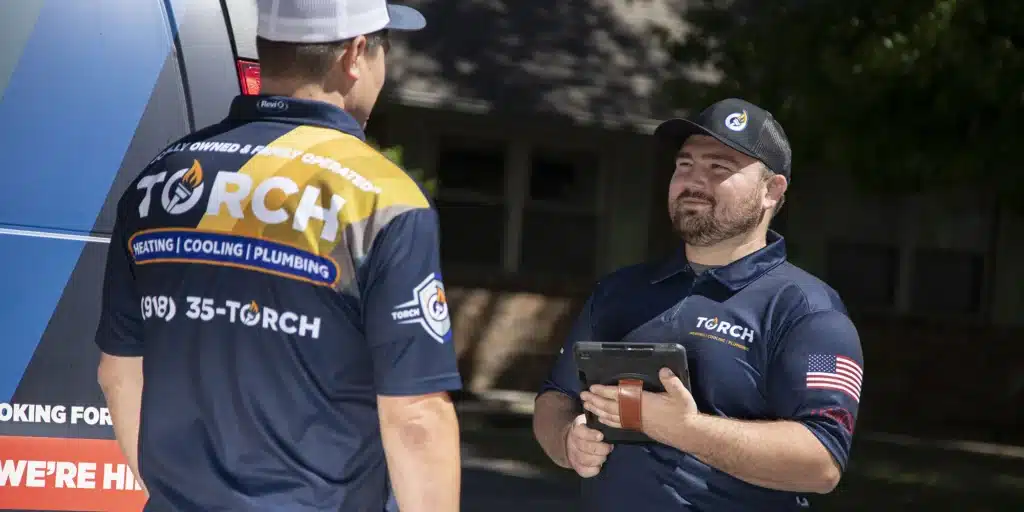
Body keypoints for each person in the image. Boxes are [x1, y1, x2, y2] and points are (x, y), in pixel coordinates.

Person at [94, 1, 462, 511]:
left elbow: (119, 375)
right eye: (385, 47)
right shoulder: (382, 198)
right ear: (356, 55)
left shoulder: (159, 180)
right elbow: (417, 415)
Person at [532, 98, 864, 511]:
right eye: (685, 165)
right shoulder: (620, 291)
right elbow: (555, 398)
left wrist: (684, 429)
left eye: (719, 168)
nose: (693, 181)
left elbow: (822, 462)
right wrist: (567, 440)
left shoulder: (809, 311)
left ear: (771, 191)